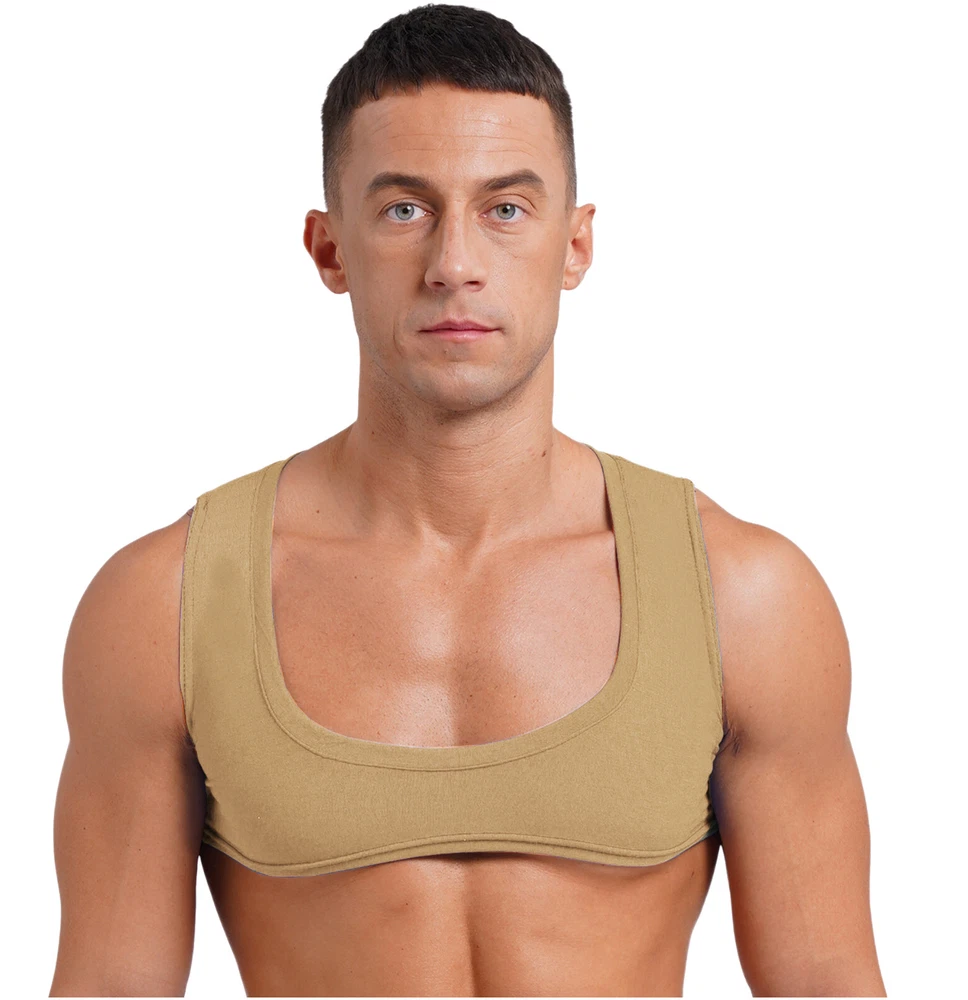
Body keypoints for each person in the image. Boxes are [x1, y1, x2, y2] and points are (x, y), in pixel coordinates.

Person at [49, 5, 886, 996]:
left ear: (575, 244)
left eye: (506, 209)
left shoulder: (745, 597)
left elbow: (827, 978)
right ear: (328, 249)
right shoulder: (165, 605)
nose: (454, 263)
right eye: (405, 209)